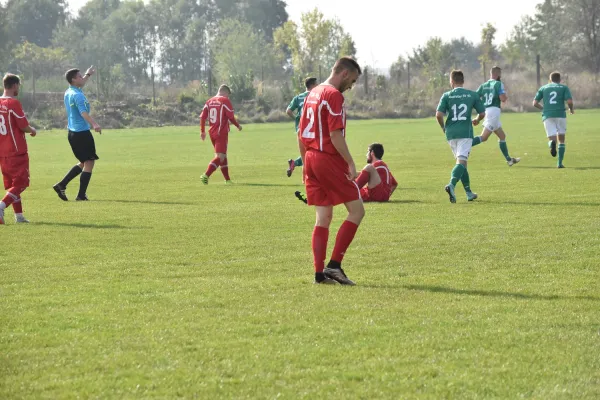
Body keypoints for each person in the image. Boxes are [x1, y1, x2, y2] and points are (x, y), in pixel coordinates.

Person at [298, 56, 363, 286]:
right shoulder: (333, 95)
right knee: (357, 211)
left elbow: (300, 133)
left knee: (323, 217)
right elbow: (335, 135)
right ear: (344, 74)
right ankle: (334, 266)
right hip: (327, 158)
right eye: (352, 81)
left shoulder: (312, 93)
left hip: (311, 157)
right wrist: (351, 163)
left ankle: (318, 274)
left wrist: (306, 165)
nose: (351, 86)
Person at [436, 70, 486, 203]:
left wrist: (443, 127)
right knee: (461, 162)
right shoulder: (472, 95)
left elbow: (439, 115)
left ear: (451, 82)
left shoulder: (446, 95)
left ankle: (469, 193)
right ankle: (451, 185)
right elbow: (482, 113)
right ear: (463, 81)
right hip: (465, 133)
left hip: (451, 133)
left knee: (462, 163)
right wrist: (477, 120)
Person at [53, 66, 101, 201]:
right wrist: (95, 124)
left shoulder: (70, 91)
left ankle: (61, 185)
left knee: (83, 162)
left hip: (73, 133)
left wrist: (88, 74)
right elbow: (83, 113)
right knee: (89, 162)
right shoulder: (77, 95)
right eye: (79, 76)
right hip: (82, 133)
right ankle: (81, 195)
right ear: (73, 80)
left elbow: (82, 82)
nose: (82, 78)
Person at [0, 74, 37, 224]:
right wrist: (32, 130)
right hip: (16, 151)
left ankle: (19, 217)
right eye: (19, 86)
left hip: (2, 152)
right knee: (21, 184)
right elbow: (23, 126)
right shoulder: (13, 103)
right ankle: (1, 206)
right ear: (15, 85)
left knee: (13, 185)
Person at [471, 66, 520, 166]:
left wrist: (478, 116)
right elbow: (502, 98)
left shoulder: (483, 85)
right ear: (498, 74)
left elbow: (475, 98)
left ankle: (509, 160)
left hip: (487, 111)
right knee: (484, 137)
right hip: (494, 112)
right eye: (500, 74)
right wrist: (505, 96)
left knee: (502, 136)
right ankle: (465, 144)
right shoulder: (498, 84)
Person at [200, 85, 242, 184]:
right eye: (228, 95)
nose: (228, 97)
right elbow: (231, 117)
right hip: (221, 132)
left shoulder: (209, 101)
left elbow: (202, 117)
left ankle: (227, 180)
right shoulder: (224, 100)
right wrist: (238, 126)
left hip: (212, 133)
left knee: (222, 155)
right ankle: (206, 175)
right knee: (220, 157)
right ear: (225, 92)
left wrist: (202, 131)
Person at [533, 71, 574, 168]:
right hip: (560, 114)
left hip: (547, 115)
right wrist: (571, 109)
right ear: (559, 80)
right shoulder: (564, 88)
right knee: (561, 139)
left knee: (552, 138)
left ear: (550, 79)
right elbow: (569, 101)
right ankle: (559, 163)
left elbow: (534, 103)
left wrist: (544, 109)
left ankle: (551, 143)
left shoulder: (543, 88)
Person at [286, 77, 318, 177]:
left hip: (300, 129)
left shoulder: (298, 97)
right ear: (312, 85)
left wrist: (297, 119)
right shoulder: (316, 96)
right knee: (313, 153)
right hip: (312, 130)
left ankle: (294, 164)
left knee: (307, 154)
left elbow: (288, 111)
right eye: (316, 84)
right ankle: (310, 180)